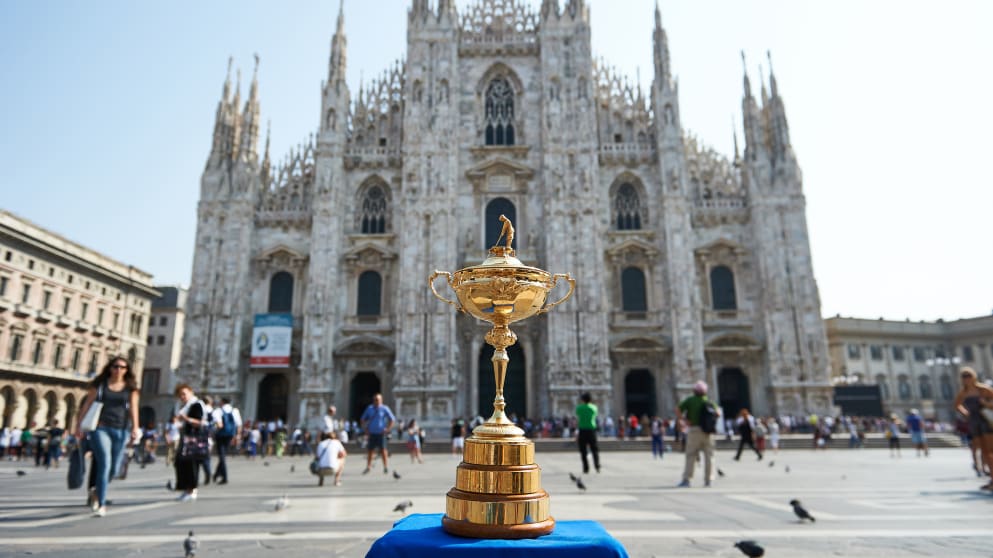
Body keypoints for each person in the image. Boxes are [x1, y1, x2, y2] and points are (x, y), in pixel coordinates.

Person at [73, 356, 141, 517]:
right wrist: (78, 425)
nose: (119, 370)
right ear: (110, 368)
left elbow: (134, 409)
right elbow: (87, 404)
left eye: (123, 367)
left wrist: (135, 428)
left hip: (121, 430)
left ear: (127, 370)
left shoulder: (130, 388)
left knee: (114, 469)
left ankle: (97, 490)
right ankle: (101, 503)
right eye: (116, 366)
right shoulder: (100, 386)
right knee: (104, 463)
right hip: (100, 428)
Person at [955, 367, 993, 490]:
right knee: (985, 452)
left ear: (974, 376)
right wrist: (965, 413)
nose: (967, 378)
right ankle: (992, 479)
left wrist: (986, 404)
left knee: (990, 450)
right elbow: (956, 405)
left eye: (969, 375)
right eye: (964, 376)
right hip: (974, 421)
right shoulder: (963, 392)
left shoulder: (983, 389)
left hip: (986, 420)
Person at [676, 380, 716, 488]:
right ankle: (709, 480)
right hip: (708, 432)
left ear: (694, 391)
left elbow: (678, 409)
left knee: (691, 455)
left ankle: (687, 480)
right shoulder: (709, 401)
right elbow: (718, 413)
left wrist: (684, 420)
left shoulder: (690, 400)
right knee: (709, 456)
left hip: (694, 430)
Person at [173, 383, 207, 501]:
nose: (182, 397)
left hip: (194, 439)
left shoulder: (196, 405)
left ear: (191, 392)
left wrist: (185, 418)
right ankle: (186, 489)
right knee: (181, 463)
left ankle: (192, 490)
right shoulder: (185, 406)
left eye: (184, 394)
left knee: (191, 465)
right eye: (180, 395)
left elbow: (200, 422)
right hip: (186, 438)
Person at [360, 393, 396, 474]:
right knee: (370, 450)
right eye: (375, 399)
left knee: (383, 450)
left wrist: (388, 429)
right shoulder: (369, 408)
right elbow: (362, 419)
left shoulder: (385, 408)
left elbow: (392, 419)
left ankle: (385, 466)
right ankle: (368, 466)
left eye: (378, 399)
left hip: (381, 433)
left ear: (381, 400)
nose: (377, 401)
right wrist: (365, 429)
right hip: (372, 433)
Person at [211, 397, 242, 484]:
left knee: (222, 456)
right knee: (223, 455)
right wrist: (238, 435)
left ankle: (224, 477)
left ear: (222, 402)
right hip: (230, 435)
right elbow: (239, 424)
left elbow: (218, 424)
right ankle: (217, 474)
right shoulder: (234, 410)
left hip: (220, 435)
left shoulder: (218, 411)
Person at [575, 392, 601, 473]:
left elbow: (577, 415)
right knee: (594, 449)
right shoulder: (594, 408)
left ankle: (586, 468)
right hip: (591, 430)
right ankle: (597, 466)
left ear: (583, 400)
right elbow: (595, 415)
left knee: (583, 450)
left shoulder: (579, 408)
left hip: (582, 430)